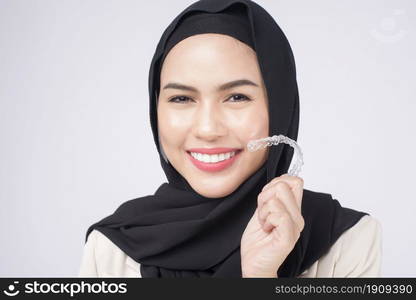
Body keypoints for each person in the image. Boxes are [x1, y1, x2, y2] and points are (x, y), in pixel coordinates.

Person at [78, 0, 382, 278]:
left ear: (280, 106)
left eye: (237, 97)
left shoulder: (345, 242)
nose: (208, 129)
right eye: (182, 98)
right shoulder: (112, 249)